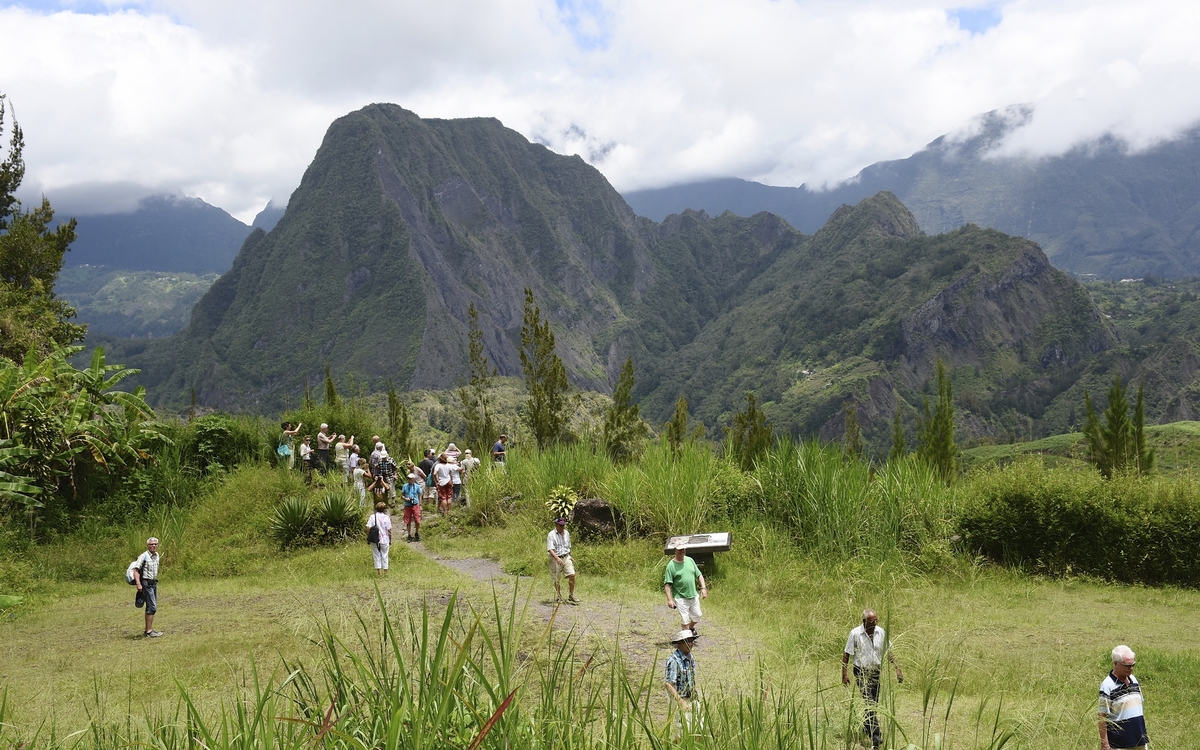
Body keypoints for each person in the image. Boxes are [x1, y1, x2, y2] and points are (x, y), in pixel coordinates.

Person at [842, 609, 903, 749]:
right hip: (861, 671)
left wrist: (897, 669)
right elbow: (846, 654)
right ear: (864, 621)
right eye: (871, 621)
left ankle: (866, 725)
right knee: (868, 700)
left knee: (873, 703)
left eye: (876, 620)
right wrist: (844, 674)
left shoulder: (881, 632)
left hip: (876, 671)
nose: (875, 623)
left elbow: (888, 652)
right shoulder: (855, 634)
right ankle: (876, 736)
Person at [1100, 645, 1148, 750]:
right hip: (1120, 744)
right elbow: (1102, 717)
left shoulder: (1134, 680)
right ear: (1115, 663)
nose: (1131, 668)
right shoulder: (1107, 685)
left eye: (1133, 665)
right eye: (1127, 666)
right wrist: (1105, 744)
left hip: (1140, 741)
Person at [664, 541, 707, 636]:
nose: (682, 551)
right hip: (680, 597)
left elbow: (699, 575)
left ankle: (691, 628)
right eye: (680, 550)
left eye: (683, 549)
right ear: (675, 551)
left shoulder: (690, 560)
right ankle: (687, 640)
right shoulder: (671, 566)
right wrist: (670, 600)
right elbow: (667, 584)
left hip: (693, 595)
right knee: (685, 620)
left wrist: (703, 588)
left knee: (698, 615)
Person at [664, 628, 698, 734]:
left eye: (691, 641)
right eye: (687, 641)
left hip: (691, 698)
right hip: (680, 699)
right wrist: (681, 702)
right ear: (679, 644)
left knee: (698, 728)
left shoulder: (690, 657)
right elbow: (668, 684)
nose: (690, 644)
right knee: (683, 730)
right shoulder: (674, 660)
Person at [131, 537, 163, 637]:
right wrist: (138, 583)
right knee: (152, 607)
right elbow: (136, 570)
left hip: (153, 583)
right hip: (146, 583)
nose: (153, 546)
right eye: (151, 544)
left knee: (151, 606)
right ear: (148, 546)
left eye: (155, 544)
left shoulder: (157, 555)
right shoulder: (143, 556)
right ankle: (149, 631)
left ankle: (148, 630)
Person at [547, 517, 579, 604]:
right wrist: (557, 558)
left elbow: (568, 546)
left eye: (563, 525)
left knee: (572, 574)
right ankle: (559, 596)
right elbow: (550, 549)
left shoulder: (566, 533)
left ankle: (571, 595)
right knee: (556, 579)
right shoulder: (551, 535)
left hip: (566, 556)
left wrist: (570, 556)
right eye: (560, 525)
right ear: (556, 525)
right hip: (554, 558)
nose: (562, 527)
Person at [366, 502, 392, 577]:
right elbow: (389, 529)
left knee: (376, 555)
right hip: (385, 539)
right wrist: (390, 539)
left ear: (376, 509)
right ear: (384, 509)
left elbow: (368, 528)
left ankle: (379, 573)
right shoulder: (386, 517)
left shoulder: (372, 517)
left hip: (375, 539)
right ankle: (385, 572)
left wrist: (368, 538)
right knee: (385, 555)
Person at [401, 472, 422, 542]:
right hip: (407, 505)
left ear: (413, 479)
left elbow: (419, 495)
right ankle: (409, 534)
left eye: (410, 479)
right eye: (408, 479)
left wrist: (420, 505)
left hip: (415, 504)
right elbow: (402, 495)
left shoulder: (417, 486)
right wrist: (405, 498)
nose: (409, 480)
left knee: (417, 520)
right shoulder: (405, 486)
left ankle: (417, 532)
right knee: (408, 521)